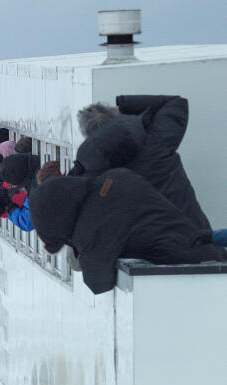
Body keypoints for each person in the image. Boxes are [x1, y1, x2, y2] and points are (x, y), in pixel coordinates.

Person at [29, 167, 227, 295]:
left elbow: (98, 282)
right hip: (209, 251)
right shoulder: (116, 177)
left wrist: (76, 244)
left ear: (57, 221)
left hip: (198, 278)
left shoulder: (93, 232)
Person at [72, 96, 211, 232]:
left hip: (153, 249)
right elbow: (175, 103)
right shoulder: (156, 139)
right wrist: (125, 104)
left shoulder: (95, 172)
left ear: (90, 137)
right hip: (197, 235)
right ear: (117, 116)